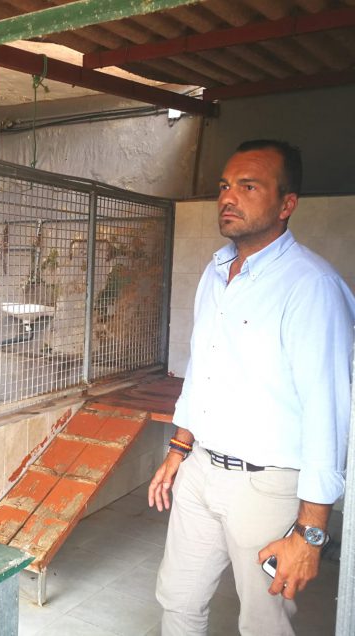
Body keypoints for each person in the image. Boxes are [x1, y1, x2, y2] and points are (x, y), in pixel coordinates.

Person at [149, 139, 355, 635]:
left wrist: (311, 531)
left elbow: (329, 411)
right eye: (224, 186)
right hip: (201, 472)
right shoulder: (216, 272)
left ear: (287, 204)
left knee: (263, 622)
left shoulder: (311, 286)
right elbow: (204, 368)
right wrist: (179, 448)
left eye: (248, 186)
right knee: (177, 599)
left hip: (268, 486)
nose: (228, 197)